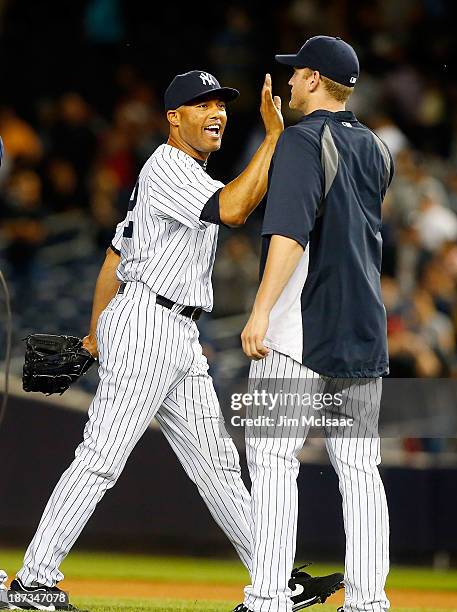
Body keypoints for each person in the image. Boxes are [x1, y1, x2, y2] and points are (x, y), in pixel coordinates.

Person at [6, 70, 340, 611]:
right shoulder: (167, 164)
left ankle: (273, 576)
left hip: (176, 331)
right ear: (173, 117)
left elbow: (114, 258)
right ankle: (34, 580)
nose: (216, 112)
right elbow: (233, 209)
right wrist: (275, 138)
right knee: (101, 459)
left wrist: (93, 340)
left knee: (219, 467)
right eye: (201, 104)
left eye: (221, 104)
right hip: (148, 323)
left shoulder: (185, 176)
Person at [239, 37, 393, 612]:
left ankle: (268, 597)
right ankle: (369, 601)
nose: (288, 82)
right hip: (363, 329)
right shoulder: (377, 147)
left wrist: (259, 309)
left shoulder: (303, 141)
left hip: (300, 328)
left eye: (295, 73)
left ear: (311, 79)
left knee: (274, 458)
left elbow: (290, 232)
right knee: (359, 467)